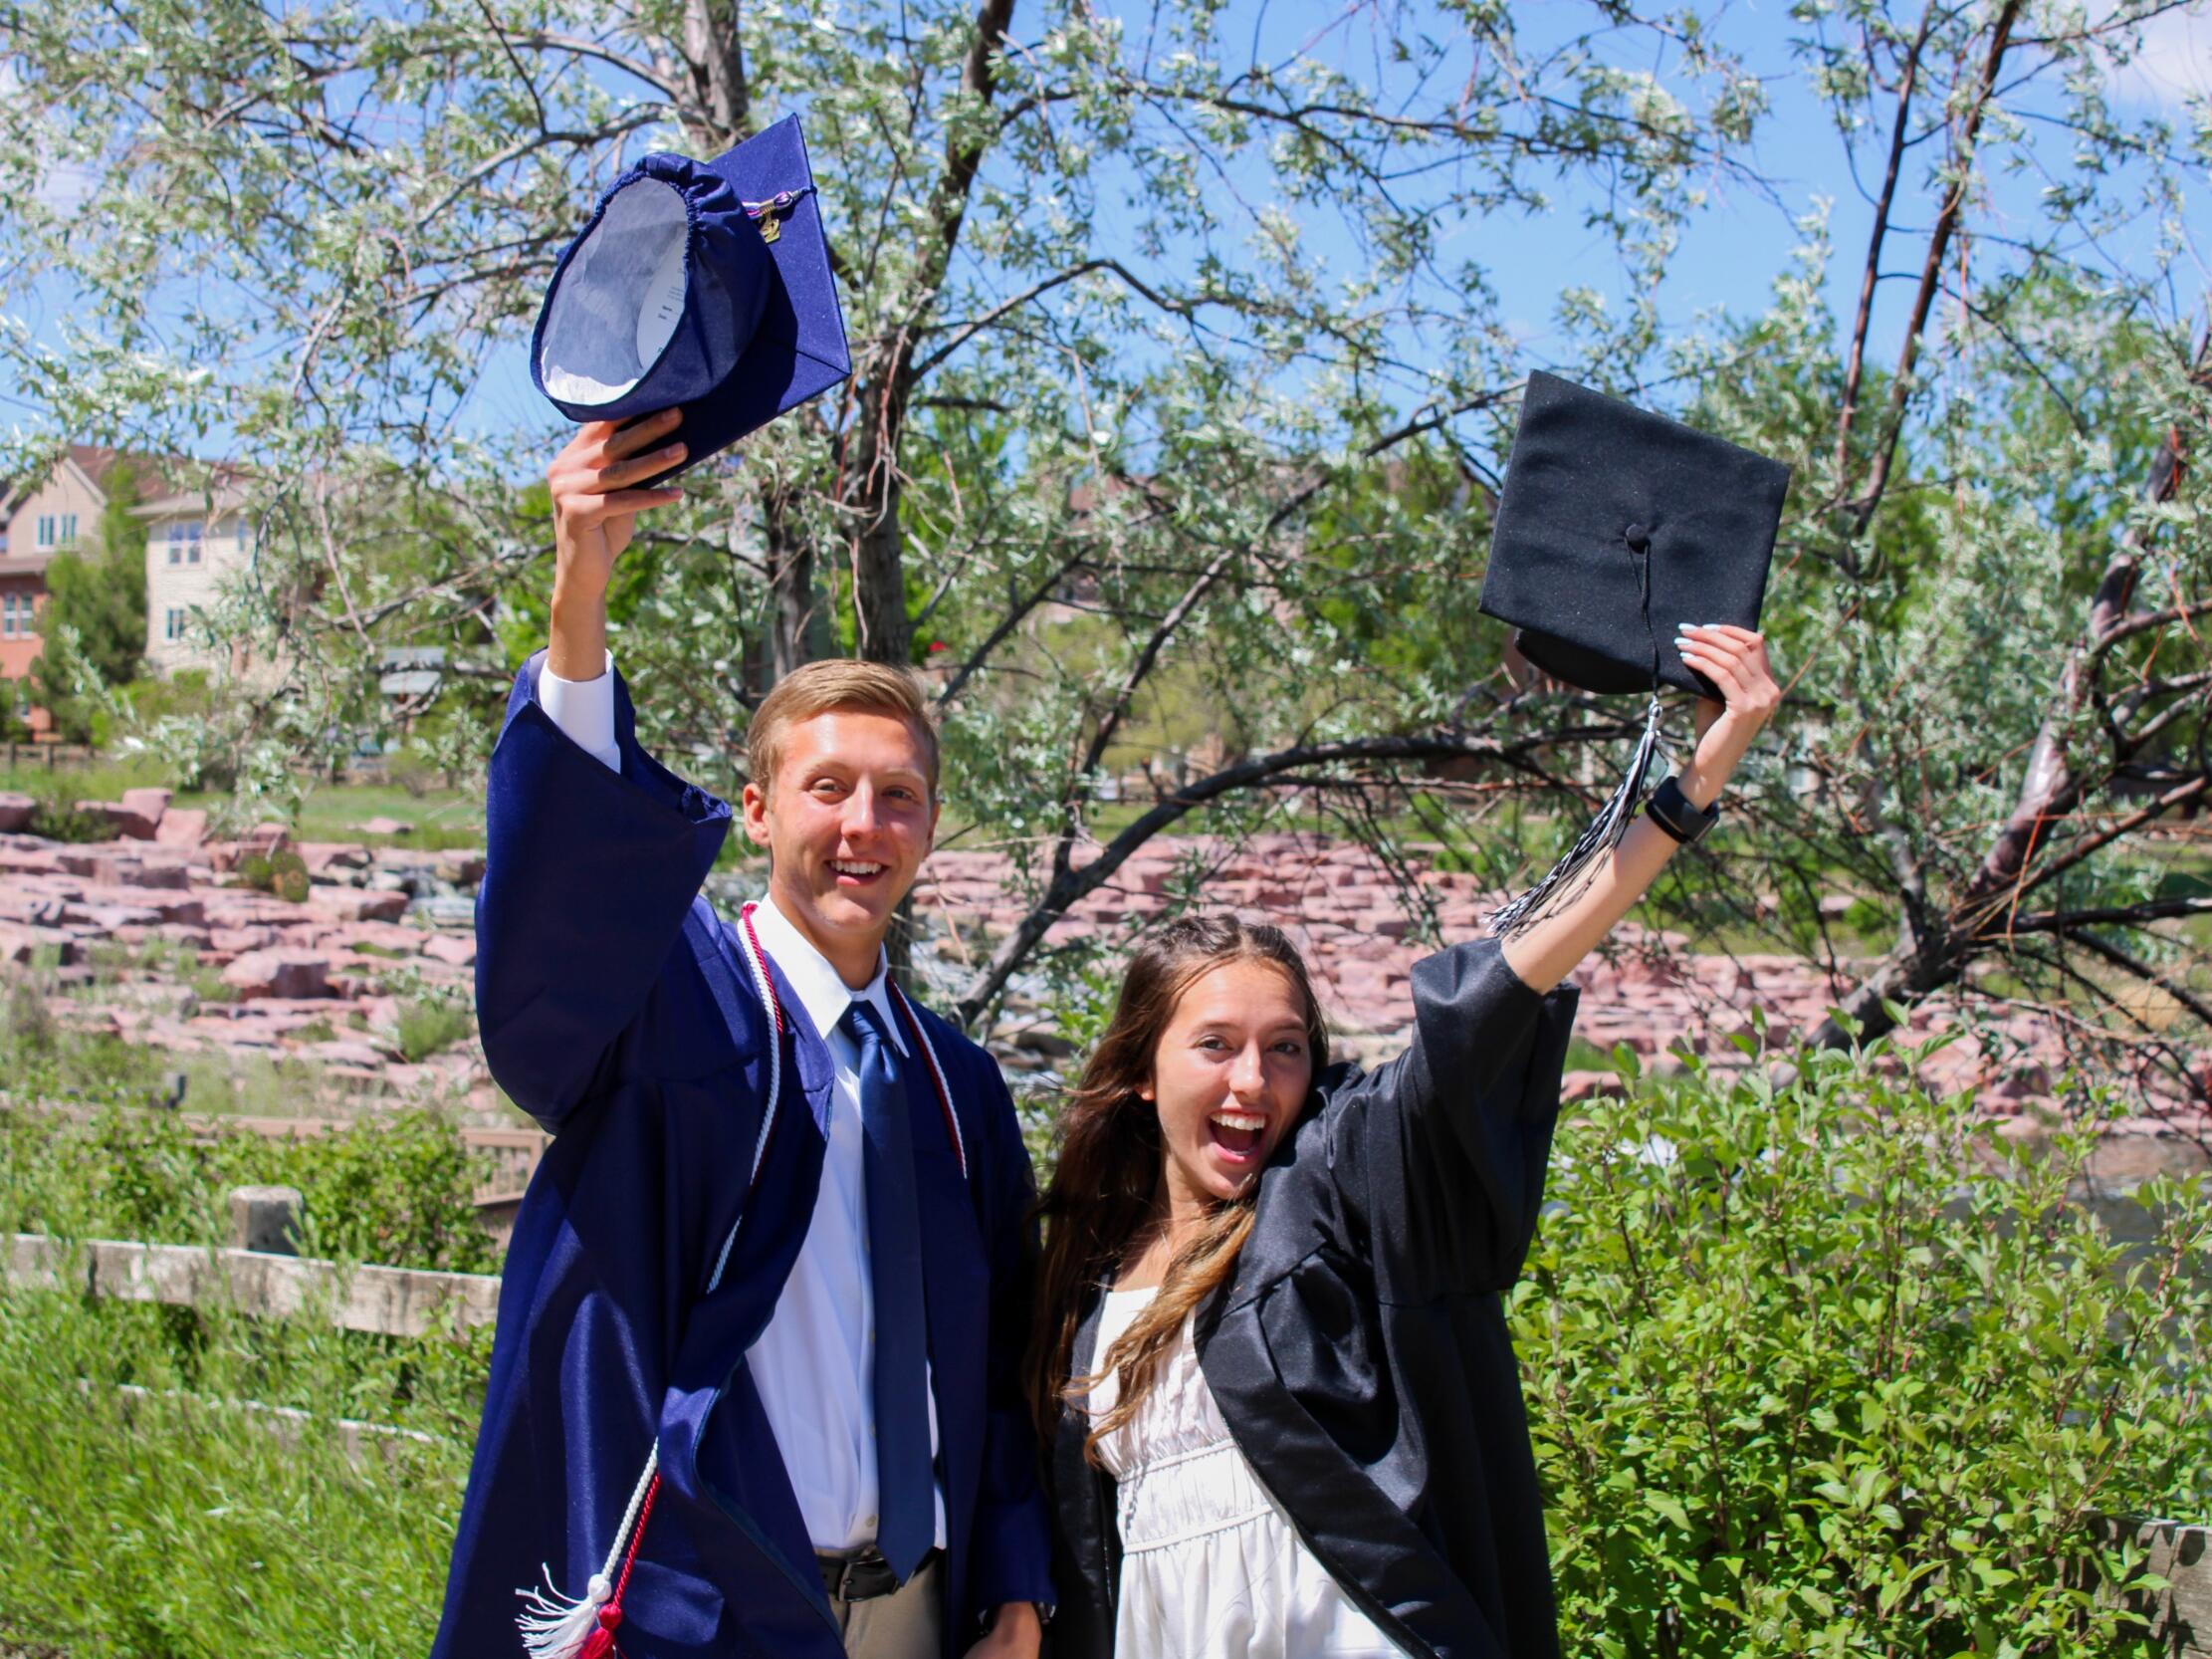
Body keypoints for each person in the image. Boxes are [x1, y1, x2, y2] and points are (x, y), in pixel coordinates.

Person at [429, 409, 1053, 1659]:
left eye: (898, 797)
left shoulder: (956, 1086)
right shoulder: (679, 1004)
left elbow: (997, 1362)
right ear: (759, 810)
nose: (863, 825)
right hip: (711, 1597)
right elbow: (559, 916)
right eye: (827, 789)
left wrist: (1017, 1588)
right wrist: (579, 597)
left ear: (929, 831)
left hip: (916, 1610)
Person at [1027, 624, 1781, 1658]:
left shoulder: (1329, 1188)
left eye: (1285, 1047)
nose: (1252, 1081)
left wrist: (1690, 787)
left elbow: (1492, 997)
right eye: (1214, 1045)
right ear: (1142, 1070)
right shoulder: (1083, 1276)